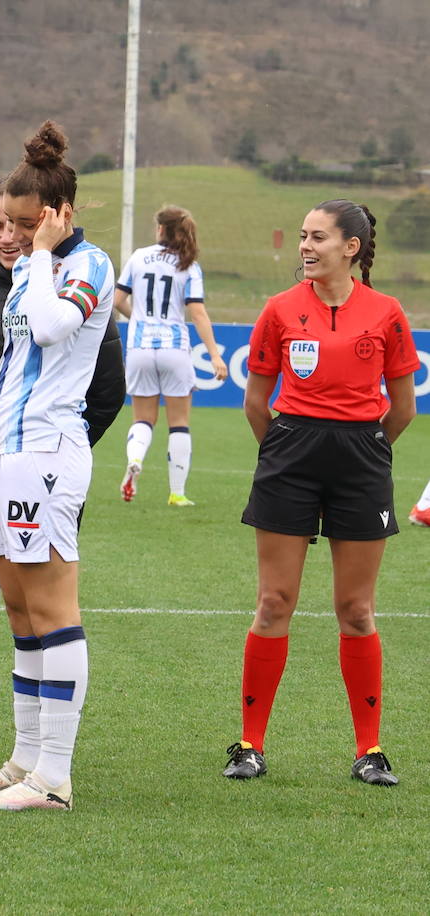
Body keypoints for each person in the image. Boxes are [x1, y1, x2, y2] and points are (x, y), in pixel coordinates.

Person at [0, 176, 123, 775]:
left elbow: (50, 329)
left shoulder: (86, 264)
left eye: (26, 223)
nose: (12, 236)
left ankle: (53, 776)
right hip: (3, 457)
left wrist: (37, 258)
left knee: (52, 609)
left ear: (57, 216)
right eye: (2, 223)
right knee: (18, 610)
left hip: (46, 455)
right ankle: (23, 761)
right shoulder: (11, 280)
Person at [223, 199, 416, 786]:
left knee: (355, 610)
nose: (305, 247)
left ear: (350, 247)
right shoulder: (280, 310)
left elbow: (402, 408)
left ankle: (369, 750)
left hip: (362, 459)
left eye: (318, 237)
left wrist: (366, 451)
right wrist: (284, 453)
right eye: (303, 237)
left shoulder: (387, 313)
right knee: (274, 602)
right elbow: (256, 402)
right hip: (289, 457)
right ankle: (249, 745)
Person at [114, 206, 227, 506]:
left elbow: (117, 300)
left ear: (161, 230)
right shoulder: (188, 264)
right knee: (178, 423)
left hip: (139, 349)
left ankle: (135, 458)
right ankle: (177, 493)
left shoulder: (138, 257)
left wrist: (136, 316)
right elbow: (198, 312)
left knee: (143, 419)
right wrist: (214, 355)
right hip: (174, 348)